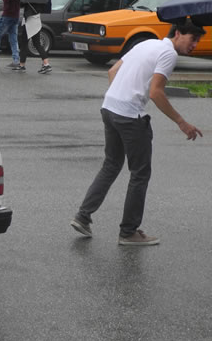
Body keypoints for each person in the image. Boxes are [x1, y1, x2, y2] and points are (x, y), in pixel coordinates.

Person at [70, 20, 205, 245]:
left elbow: (113, 71)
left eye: (198, 41)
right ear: (178, 33)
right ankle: (128, 232)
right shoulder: (169, 54)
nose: (195, 45)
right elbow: (156, 92)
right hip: (130, 117)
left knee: (111, 165)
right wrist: (182, 123)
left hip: (109, 108)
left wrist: (121, 96)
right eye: (193, 39)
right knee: (140, 174)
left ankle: (83, 216)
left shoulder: (146, 44)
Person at [18, 0, 52, 74]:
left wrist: (22, 0)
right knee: (37, 44)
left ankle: (22, 65)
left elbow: (21, 5)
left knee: (24, 43)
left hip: (29, 21)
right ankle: (46, 64)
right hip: (36, 19)